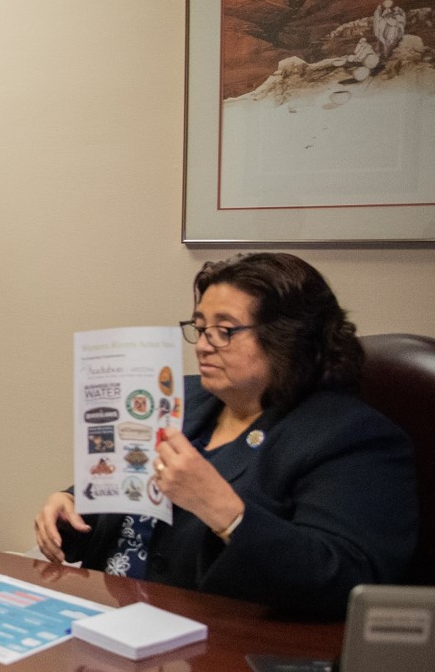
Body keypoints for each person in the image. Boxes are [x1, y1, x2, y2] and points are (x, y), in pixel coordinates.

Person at [34, 252, 417, 618]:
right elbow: (123, 505)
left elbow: (344, 580)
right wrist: (70, 506)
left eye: (223, 331)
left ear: (289, 338)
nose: (202, 345)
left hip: (221, 649)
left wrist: (225, 513)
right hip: (111, 621)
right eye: (200, 328)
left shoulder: (351, 437)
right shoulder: (175, 399)